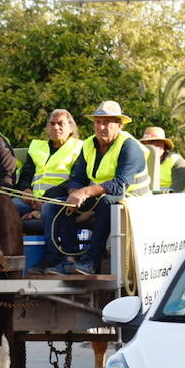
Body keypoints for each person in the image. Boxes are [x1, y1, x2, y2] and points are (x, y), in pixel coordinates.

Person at [39, 100, 148, 276]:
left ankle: (92, 262)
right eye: (98, 122)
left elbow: (120, 184)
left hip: (133, 199)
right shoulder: (89, 144)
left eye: (107, 122)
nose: (101, 127)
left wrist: (85, 192)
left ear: (119, 125)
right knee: (56, 205)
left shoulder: (129, 146)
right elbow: (78, 178)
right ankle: (70, 259)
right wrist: (74, 195)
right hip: (100, 194)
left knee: (106, 203)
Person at [17, 109, 82, 219]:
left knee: (48, 209)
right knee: (7, 207)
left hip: (59, 198)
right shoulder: (36, 147)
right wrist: (25, 190)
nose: (55, 127)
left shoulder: (80, 148)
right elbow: (26, 174)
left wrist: (45, 198)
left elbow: (75, 180)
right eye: (52, 124)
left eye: (60, 123)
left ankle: (37, 215)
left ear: (71, 128)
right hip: (31, 200)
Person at [139, 126, 185, 193]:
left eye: (157, 143)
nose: (154, 146)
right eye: (148, 143)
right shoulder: (139, 162)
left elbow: (177, 190)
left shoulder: (177, 162)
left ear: (163, 145)